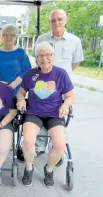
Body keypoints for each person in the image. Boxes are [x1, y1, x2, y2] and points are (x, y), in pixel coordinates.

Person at [16, 42, 75, 187]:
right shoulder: (31, 74)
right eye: (40, 55)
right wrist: (21, 100)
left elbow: (70, 96)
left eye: (48, 54)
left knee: (60, 144)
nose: (44, 58)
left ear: (53, 56)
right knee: (29, 141)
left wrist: (65, 104)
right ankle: (29, 168)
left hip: (54, 114)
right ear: (36, 59)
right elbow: (21, 93)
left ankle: (48, 169)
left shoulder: (60, 74)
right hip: (34, 113)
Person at [32, 9, 84, 157]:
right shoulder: (41, 39)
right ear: (50, 22)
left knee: (57, 117)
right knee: (41, 113)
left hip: (62, 88)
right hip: (42, 85)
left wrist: (61, 77)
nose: (57, 23)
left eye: (59, 19)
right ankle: (40, 147)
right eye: (53, 20)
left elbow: (75, 63)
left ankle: (55, 149)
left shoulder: (75, 41)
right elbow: (36, 60)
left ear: (66, 20)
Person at [0, 24, 31, 95]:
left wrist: (14, 84)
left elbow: (27, 71)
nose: (8, 37)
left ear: (15, 37)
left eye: (12, 35)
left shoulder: (21, 53)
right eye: (5, 35)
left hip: (18, 93)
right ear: (1, 37)